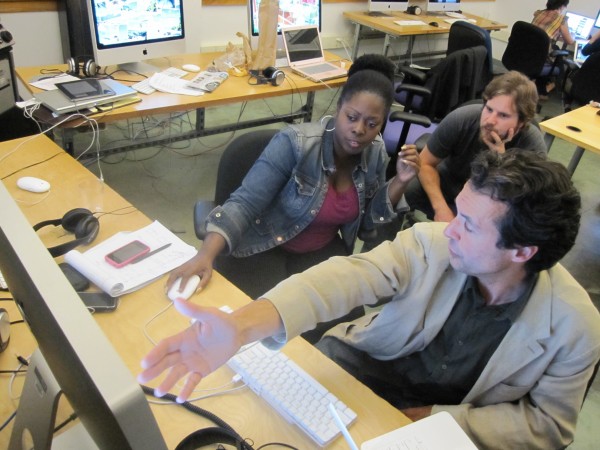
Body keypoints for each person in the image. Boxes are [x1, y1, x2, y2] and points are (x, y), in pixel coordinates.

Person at [139, 150, 600, 449]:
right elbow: (347, 277)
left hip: (444, 429)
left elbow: (548, 426)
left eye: (472, 226)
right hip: (365, 367)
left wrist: (435, 420)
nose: (451, 229)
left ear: (522, 251)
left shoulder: (576, 328)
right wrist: (241, 326)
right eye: (459, 212)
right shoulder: (432, 243)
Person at [168, 54, 419, 331]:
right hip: (265, 246)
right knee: (253, 329)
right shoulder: (296, 144)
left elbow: (367, 226)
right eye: (352, 117)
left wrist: (399, 182)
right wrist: (205, 254)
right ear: (338, 108)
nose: (359, 130)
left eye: (372, 124)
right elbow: (245, 203)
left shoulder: (375, 155)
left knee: (338, 335)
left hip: (320, 253)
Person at [403, 70, 546, 223]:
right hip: (449, 182)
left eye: (503, 115)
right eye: (489, 109)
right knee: (407, 188)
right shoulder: (462, 119)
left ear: (521, 124)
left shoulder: (533, 146)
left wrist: (501, 161)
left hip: (490, 200)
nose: (490, 120)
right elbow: (425, 163)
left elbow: (524, 202)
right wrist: (440, 209)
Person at [531, 0, 576, 96]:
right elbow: (570, 41)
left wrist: (558, 36)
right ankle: (545, 89)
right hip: (541, 57)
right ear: (562, 6)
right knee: (561, 60)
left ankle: (538, 84)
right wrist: (573, 36)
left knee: (555, 49)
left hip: (526, 53)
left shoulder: (539, 13)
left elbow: (543, 33)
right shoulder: (561, 19)